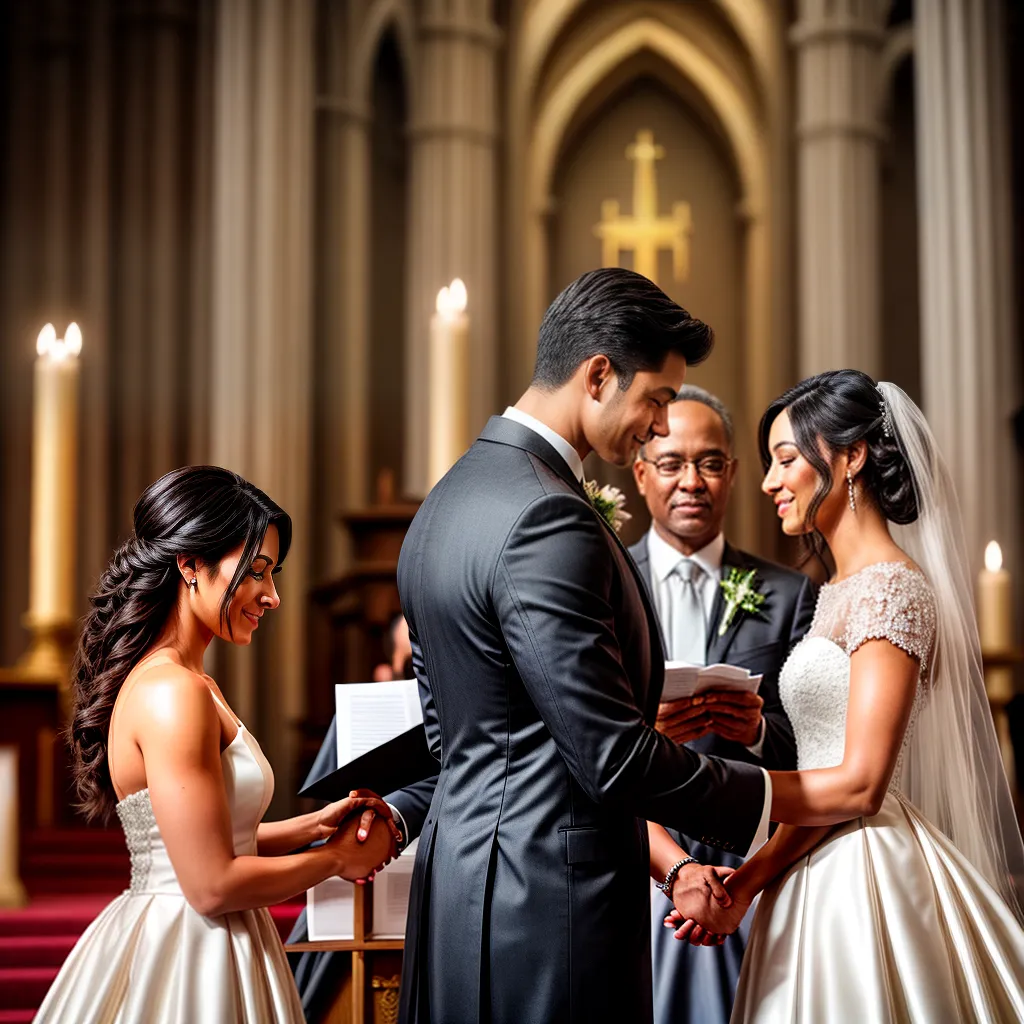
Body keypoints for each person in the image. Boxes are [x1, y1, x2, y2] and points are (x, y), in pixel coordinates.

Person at [392, 268, 771, 1024]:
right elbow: (612, 758)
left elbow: (448, 738)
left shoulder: (444, 502)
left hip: (459, 888)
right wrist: (771, 798)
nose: (660, 426)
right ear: (598, 374)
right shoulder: (547, 516)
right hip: (552, 906)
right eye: (657, 400)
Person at [666, 371, 1024, 1021]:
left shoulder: (892, 589)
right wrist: (748, 882)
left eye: (785, 460)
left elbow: (860, 784)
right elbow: (820, 768)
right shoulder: (837, 592)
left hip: (861, 869)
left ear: (852, 456)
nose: (771, 483)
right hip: (807, 853)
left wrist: (718, 789)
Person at [35, 466, 400, 1024]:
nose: (273, 596)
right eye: (256, 572)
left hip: (216, 933)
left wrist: (312, 826)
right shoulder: (173, 694)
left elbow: (214, 838)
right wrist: (335, 860)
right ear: (190, 565)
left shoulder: (191, 683)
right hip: (189, 948)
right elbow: (209, 884)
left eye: (273, 573)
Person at [629, 387, 816, 1024]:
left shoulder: (790, 594)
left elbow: (817, 741)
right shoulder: (603, 585)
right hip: (634, 852)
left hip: (749, 854)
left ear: (733, 473)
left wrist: (760, 730)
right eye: (672, 462)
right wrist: (645, 732)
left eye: (710, 463)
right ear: (641, 472)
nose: (692, 481)